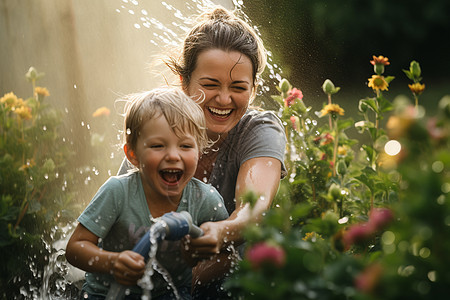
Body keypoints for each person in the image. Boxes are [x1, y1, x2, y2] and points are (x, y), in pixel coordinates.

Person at [118, 6, 287, 298]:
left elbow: (254, 207)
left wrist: (224, 231)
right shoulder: (158, 134)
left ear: (254, 89)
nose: (224, 99)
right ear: (184, 83)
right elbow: (121, 217)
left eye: (238, 87)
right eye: (210, 85)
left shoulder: (258, 130)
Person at [66, 87, 229, 299]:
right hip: (106, 294)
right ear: (132, 154)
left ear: (199, 151)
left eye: (185, 146)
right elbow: (75, 248)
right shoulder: (118, 192)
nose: (173, 155)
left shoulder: (205, 199)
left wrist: (199, 269)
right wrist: (112, 263)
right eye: (158, 145)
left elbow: (228, 256)